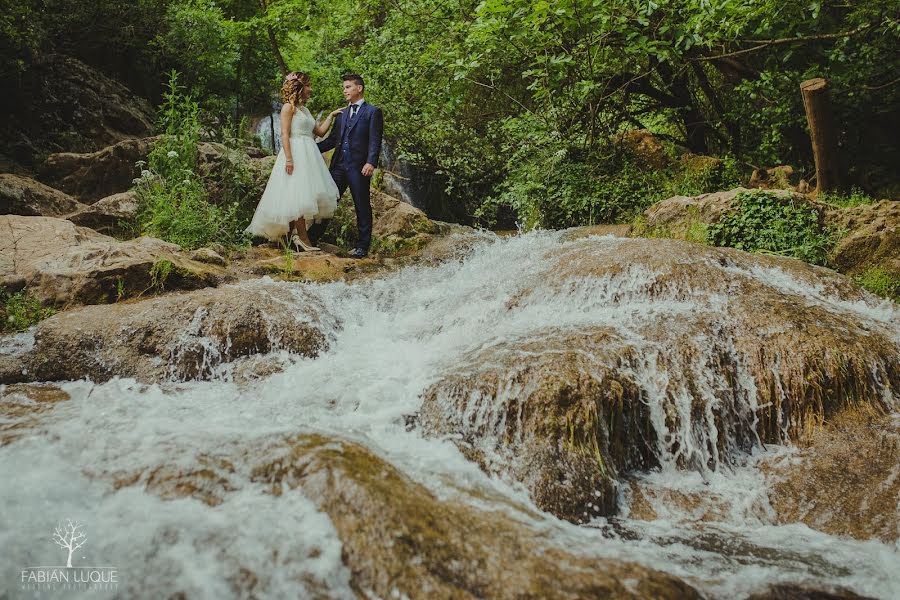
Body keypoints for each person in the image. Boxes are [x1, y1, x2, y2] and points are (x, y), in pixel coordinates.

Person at [245, 72, 344, 251]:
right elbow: (284, 133)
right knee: (297, 194)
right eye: (308, 85)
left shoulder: (304, 110)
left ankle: (290, 238)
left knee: (301, 194)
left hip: (309, 153)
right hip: (295, 152)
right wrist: (289, 159)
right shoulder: (287, 108)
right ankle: (303, 239)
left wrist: (331, 116)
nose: (311, 89)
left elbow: (320, 132)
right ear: (299, 87)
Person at [311, 73, 383, 258]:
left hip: (359, 167)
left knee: (362, 205)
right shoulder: (341, 115)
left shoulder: (373, 112)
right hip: (338, 166)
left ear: (359, 88)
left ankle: (362, 246)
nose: (345, 91)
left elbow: (375, 140)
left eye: (348, 87)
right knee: (328, 201)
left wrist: (371, 162)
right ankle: (312, 239)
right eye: (344, 88)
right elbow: (333, 140)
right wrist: (308, 148)